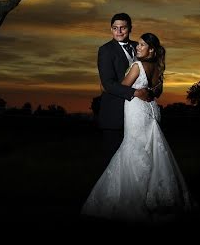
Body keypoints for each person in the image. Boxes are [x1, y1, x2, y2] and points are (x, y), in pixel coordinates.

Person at [82, 33, 193, 222]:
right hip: (151, 110)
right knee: (151, 151)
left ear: (150, 49)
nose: (138, 47)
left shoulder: (137, 65)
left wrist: (105, 86)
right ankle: (155, 196)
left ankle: (133, 198)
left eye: (142, 45)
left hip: (136, 111)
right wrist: (147, 91)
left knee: (133, 149)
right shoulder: (157, 67)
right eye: (139, 44)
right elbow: (157, 92)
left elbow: (123, 87)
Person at [97, 13, 154, 167]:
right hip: (114, 113)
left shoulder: (139, 46)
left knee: (138, 160)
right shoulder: (105, 50)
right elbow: (107, 83)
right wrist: (135, 93)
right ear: (111, 29)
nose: (119, 31)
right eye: (115, 28)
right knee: (113, 162)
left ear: (130, 28)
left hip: (137, 114)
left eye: (123, 28)